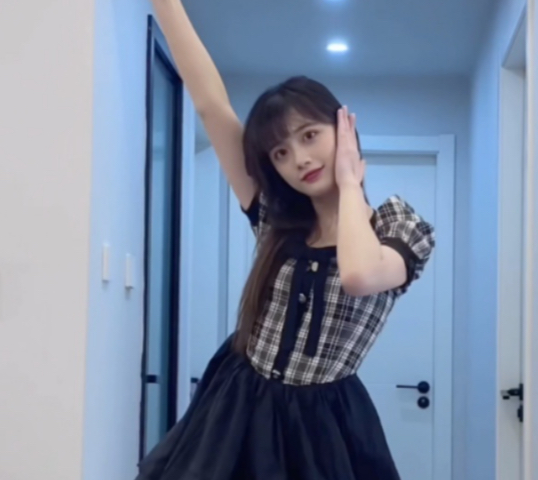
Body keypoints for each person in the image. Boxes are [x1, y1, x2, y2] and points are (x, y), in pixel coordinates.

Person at [139, 1, 435, 479]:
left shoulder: (399, 227)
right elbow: (211, 106)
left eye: (309, 135)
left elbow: (359, 276)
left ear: (344, 127)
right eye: (280, 151)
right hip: (237, 408)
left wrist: (349, 184)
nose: (299, 158)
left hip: (325, 427)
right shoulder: (274, 219)